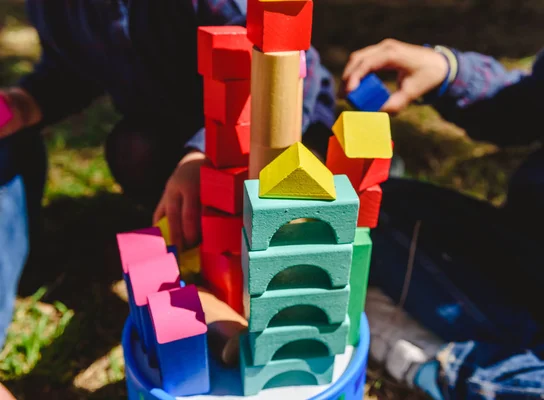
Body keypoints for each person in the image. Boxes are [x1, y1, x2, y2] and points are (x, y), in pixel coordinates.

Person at [0, 1, 336, 394]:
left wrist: (203, 152)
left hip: (276, 133)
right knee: (133, 150)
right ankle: (201, 256)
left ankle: (241, 275)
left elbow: (292, 62)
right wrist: (24, 103)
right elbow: (70, 70)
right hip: (178, 134)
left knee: (272, 223)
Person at [340, 0, 544, 398]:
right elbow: (537, 100)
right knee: (375, 209)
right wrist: (448, 72)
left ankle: (463, 370)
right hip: (542, 259)